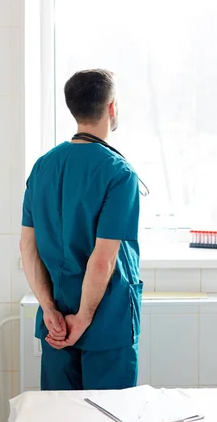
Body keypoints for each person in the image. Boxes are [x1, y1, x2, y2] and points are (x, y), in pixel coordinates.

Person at [20, 69, 143, 391]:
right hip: (106, 322)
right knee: (109, 413)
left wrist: (50, 310)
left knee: (60, 415)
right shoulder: (118, 172)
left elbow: (27, 247)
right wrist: (85, 319)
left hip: (56, 323)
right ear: (111, 107)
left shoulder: (43, 165)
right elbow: (103, 260)